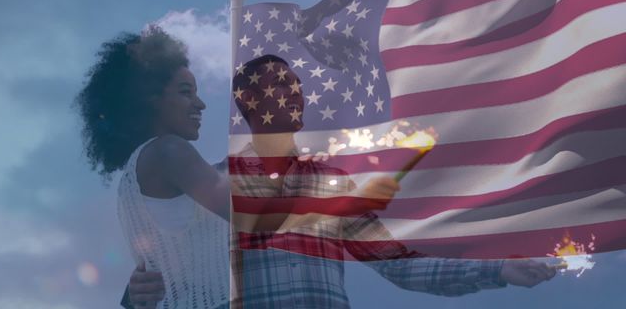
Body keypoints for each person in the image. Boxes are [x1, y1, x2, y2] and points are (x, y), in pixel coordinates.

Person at [128, 55, 557, 308]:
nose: (292, 96)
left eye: (294, 87)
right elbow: (171, 283)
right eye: (277, 88)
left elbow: (399, 265)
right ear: (247, 103)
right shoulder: (210, 185)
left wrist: (498, 269)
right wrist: (134, 299)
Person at [76, 27, 231, 309]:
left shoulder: (140, 170)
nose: (201, 103)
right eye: (186, 92)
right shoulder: (168, 151)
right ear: (149, 98)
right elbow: (250, 212)